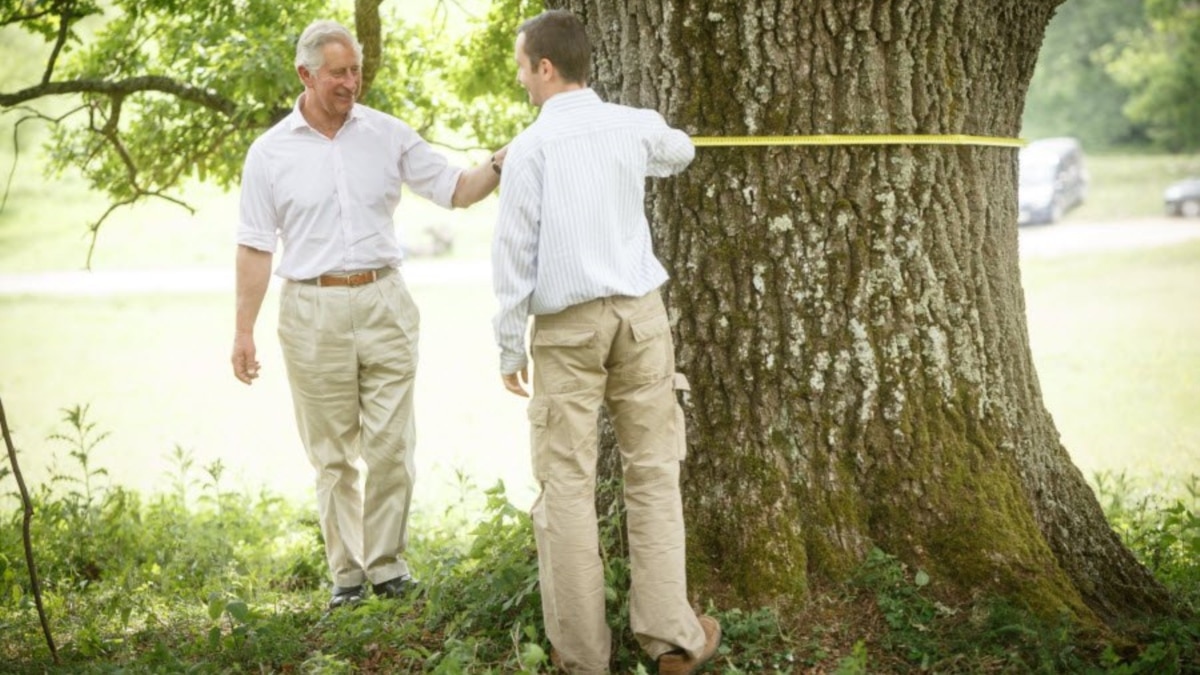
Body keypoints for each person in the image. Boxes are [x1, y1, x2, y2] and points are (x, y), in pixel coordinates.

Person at [231, 19, 504, 609]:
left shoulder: (386, 133)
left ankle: (388, 568)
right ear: (305, 75)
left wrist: (502, 163)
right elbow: (255, 245)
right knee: (332, 455)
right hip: (310, 308)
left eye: (354, 70)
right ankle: (347, 579)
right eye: (337, 72)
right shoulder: (269, 153)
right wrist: (242, 331)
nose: (350, 81)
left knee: (390, 447)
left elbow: (454, 189)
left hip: (384, 301)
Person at [489, 9, 721, 674]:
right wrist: (643, 140)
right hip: (640, 318)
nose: (521, 79)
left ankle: (583, 658)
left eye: (522, 66)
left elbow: (513, 255)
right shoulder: (630, 126)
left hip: (567, 329)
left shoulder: (530, 148)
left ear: (546, 66)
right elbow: (681, 151)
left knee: (565, 484)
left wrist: (509, 346)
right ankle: (672, 639)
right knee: (652, 474)